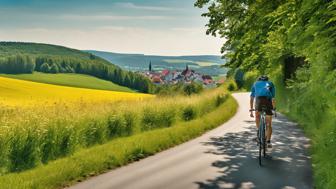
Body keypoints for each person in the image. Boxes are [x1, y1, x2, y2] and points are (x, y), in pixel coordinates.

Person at [249, 75, 276, 148]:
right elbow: (273, 98)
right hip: (267, 101)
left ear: (259, 80)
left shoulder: (255, 83)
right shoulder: (270, 83)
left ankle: (258, 132)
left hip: (259, 101)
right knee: (269, 124)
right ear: (267, 80)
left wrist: (251, 110)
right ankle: (268, 142)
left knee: (257, 115)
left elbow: (252, 97)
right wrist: (274, 108)